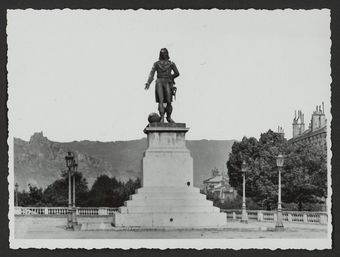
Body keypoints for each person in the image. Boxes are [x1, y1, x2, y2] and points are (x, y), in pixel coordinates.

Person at [145, 48, 180, 123]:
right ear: (160, 54)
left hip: (168, 82)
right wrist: (148, 82)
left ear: (167, 54)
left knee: (169, 101)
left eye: (165, 53)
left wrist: (171, 77)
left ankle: (169, 117)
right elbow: (151, 73)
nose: (163, 54)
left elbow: (177, 73)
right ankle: (162, 118)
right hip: (159, 82)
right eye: (162, 53)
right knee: (160, 101)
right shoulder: (156, 64)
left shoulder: (171, 64)